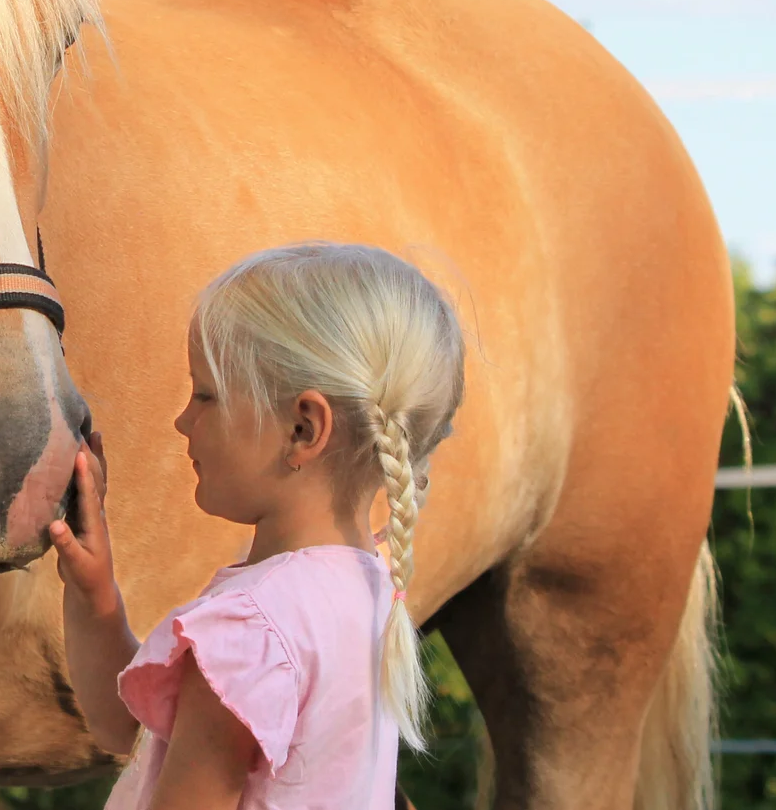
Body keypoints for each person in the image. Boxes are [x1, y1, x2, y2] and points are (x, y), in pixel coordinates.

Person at [49, 242, 467, 809]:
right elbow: (137, 737)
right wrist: (94, 594)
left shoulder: (253, 630)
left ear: (302, 428)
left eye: (205, 395)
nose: (182, 420)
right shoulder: (366, 588)